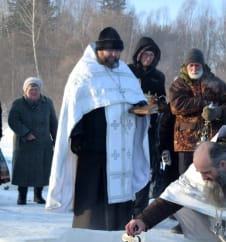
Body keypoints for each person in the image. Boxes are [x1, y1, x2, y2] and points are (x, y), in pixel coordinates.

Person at [46, 27, 150, 231]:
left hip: (121, 149)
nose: (114, 55)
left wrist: (140, 107)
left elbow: (136, 98)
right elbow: (75, 106)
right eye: (109, 51)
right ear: (99, 50)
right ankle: (87, 236)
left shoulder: (124, 71)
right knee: (92, 197)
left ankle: (117, 232)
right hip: (93, 148)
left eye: (117, 51)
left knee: (119, 199)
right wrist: (77, 134)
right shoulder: (85, 71)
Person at [169, 48, 226, 175]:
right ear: (186, 66)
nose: (194, 68)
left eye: (197, 65)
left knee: (211, 178)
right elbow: (176, 106)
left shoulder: (216, 83)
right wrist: (203, 104)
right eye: (191, 65)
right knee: (187, 180)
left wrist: (218, 112)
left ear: (203, 65)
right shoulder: (178, 85)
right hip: (186, 143)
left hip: (212, 141)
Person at [128, 36, 168, 212]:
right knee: (128, 166)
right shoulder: (127, 71)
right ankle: (125, 204)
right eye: (146, 54)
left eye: (152, 55)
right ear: (138, 54)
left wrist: (159, 104)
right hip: (128, 126)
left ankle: (140, 207)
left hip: (149, 127)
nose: (148, 58)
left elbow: (162, 99)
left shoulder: (158, 76)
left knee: (145, 166)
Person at [8, 77, 57, 204]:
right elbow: (13, 120)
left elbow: (53, 122)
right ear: (25, 91)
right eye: (31, 89)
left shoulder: (48, 103)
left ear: (40, 90)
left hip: (43, 143)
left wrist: (56, 139)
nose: (34, 92)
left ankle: (38, 195)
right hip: (24, 143)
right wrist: (26, 133)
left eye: (36, 89)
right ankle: (22, 196)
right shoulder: (18, 104)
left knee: (41, 170)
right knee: (22, 171)